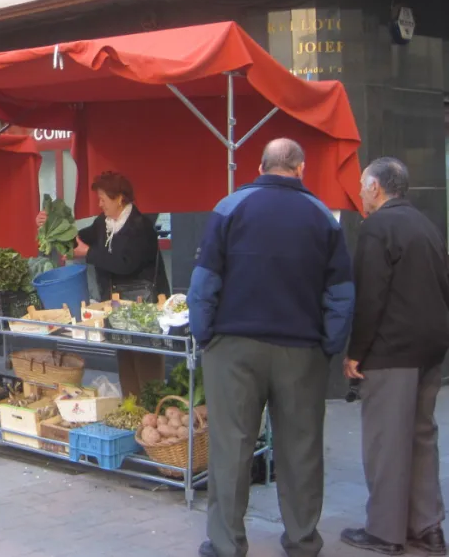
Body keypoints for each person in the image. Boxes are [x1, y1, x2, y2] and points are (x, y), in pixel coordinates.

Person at [188, 138, 354, 557]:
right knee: (300, 449)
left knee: (231, 447)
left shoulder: (229, 207)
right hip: (301, 349)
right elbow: (341, 293)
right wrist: (328, 347)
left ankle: (226, 544)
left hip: (233, 346)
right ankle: (301, 540)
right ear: (301, 169)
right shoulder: (323, 217)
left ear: (260, 166)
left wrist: (205, 334)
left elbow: (204, 281)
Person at [340, 158, 449, 556]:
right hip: (431, 348)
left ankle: (386, 531)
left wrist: (356, 352)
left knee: (387, 440)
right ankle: (428, 526)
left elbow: (370, 297)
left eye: (362, 185)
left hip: (392, 349)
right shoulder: (427, 225)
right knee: (422, 436)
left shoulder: (377, 228)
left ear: (375, 188)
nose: (360, 193)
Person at [35, 171, 170, 397]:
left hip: (143, 308)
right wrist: (48, 225)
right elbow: (75, 239)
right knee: (125, 359)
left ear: (119, 198)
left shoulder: (141, 226)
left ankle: (152, 411)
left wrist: (88, 253)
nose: (99, 204)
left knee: (146, 361)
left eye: (102, 199)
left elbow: (125, 264)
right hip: (116, 307)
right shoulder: (102, 224)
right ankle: (133, 411)